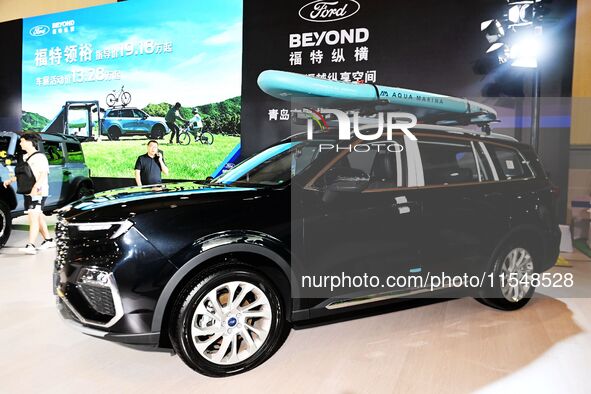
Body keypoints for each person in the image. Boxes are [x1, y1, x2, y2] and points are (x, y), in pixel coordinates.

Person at [3, 133, 55, 255]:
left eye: (22, 141)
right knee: (38, 216)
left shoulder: (40, 157)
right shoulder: (26, 157)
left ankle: (31, 245)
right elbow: (24, 174)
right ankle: (48, 240)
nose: (20, 143)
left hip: (38, 192)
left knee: (33, 217)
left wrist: (37, 187)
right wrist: (11, 180)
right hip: (28, 192)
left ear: (30, 142)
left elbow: (43, 174)